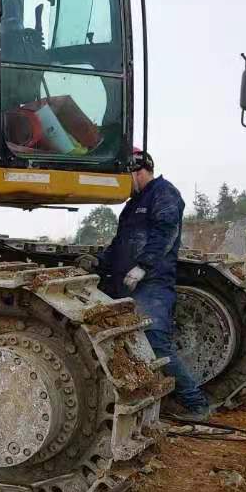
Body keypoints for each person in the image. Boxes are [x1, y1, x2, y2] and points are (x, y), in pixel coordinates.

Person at [96, 150, 211, 420]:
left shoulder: (164, 193)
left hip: (152, 283)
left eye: (126, 175)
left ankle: (197, 404)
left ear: (138, 171)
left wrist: (143, 266)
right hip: (125, 282)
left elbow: (166, 234)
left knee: (155, 341)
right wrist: (98, 264)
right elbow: (119, 242)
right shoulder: (132, 204)